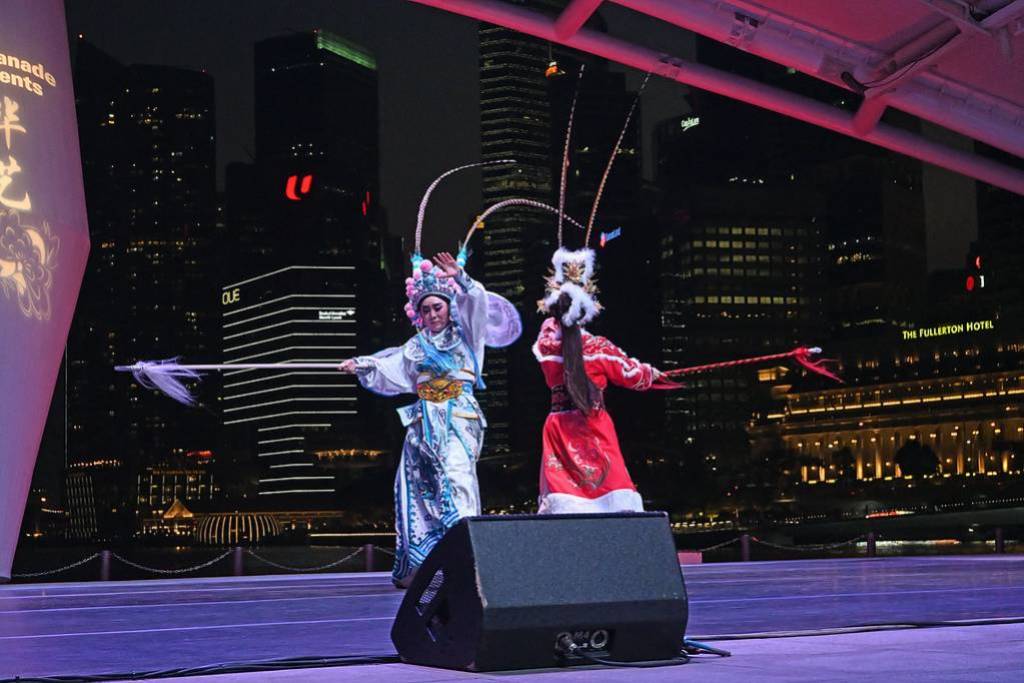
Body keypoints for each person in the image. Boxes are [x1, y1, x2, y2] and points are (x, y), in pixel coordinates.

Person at [339, 252, 509, 587]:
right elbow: (389, 368)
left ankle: (467, 559)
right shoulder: (414, 347)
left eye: (438, 307)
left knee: (456, 479)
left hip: (457, 421)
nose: (432, 314)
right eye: (426, 309)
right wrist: (360, 364)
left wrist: (460, 277)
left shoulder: (468, 337)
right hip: (421, 426)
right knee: (413, 488)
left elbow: (476, 300)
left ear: (449, 308)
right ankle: (422, 565)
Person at [532, 247, 670, 514]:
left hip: (558, 427)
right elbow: (632, 374)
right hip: (591, 424)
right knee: (612, 493)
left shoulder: (546, 349)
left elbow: (546, 336)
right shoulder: (598, 349)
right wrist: (650, 373)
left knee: (564, 499)